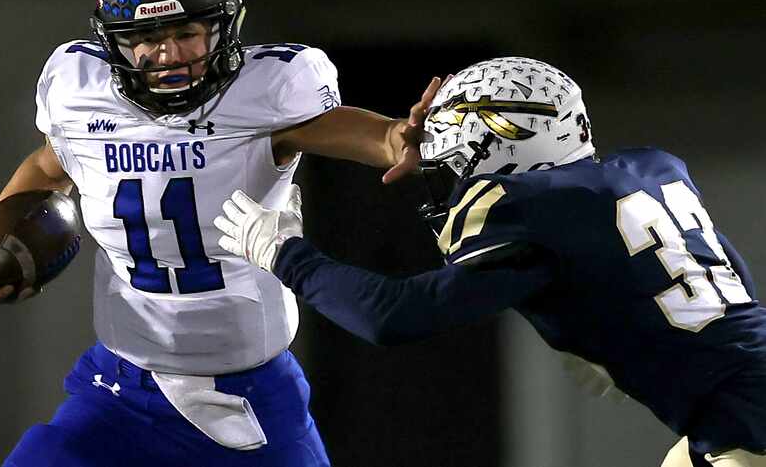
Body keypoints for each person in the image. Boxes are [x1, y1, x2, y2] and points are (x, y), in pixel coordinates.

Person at [0, 0, 440, 467]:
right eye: (147, 37)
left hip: (252, 396)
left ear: (222, 24)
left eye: (186, 30)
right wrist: (0, 243)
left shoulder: (268, 93)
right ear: (112, 40)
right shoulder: (80, 92)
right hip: (121, 389)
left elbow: (356, 132)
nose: (168, 54)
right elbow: (50, 165)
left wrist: (397, 138)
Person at [215, 56, 766, 467]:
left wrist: (284, 253)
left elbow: (393, 315)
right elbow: (731, 281)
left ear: (497, 150)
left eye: (452, 165)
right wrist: (630, 325)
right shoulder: (651, 170)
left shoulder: (532, 213)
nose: (450, 184)